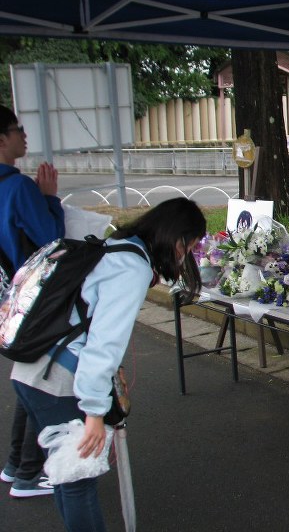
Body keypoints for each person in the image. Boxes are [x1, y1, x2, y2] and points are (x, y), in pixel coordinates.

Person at [11, 197, 206, 531]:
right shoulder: (133, 268)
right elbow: (103, 345)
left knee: (66, 474)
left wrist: (111, 379)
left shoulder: (117, 246)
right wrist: (94, 412)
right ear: (177, 240)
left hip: (34, 370)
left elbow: (87, 318)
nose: (186, 256)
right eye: (189, 247)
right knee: (78, 481)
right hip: (60, 381)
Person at [0, 105, 65, 499]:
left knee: (28, 375)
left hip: (8, 299)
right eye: (17, 129)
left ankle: (15, 464)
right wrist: (50, 200)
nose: (24, 135)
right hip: (34, 297)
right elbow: (51, 242)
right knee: (41, 380)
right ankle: (28, 472)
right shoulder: (19, 188)